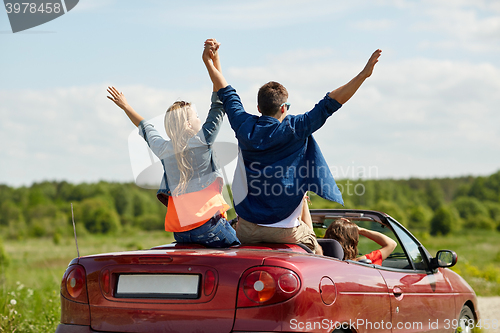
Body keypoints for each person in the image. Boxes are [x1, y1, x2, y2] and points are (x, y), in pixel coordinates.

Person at [203, 38, 381, 254]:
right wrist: (363, 75)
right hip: (286, 231)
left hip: (247, 229)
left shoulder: (243, 125)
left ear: (258, 107)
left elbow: (225, 92)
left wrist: (212, 61)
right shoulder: (297, 127)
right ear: (284, 108)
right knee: (322, 252)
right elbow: (332, 102)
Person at [106, 45, 240, 248]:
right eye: (196, 116)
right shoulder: (203, 141)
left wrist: (126, 106)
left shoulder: (164, 149)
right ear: (187, 124)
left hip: (182, 234)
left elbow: (145, 126)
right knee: (240, 252)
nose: (199, 118)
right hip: (209, 227)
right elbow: (219, 99)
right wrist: (212, 62)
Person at [324, 218, 397, 264]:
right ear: (352, 242)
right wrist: (360, 230)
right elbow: (391, 244)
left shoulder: (318, 260)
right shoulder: (361, 263)